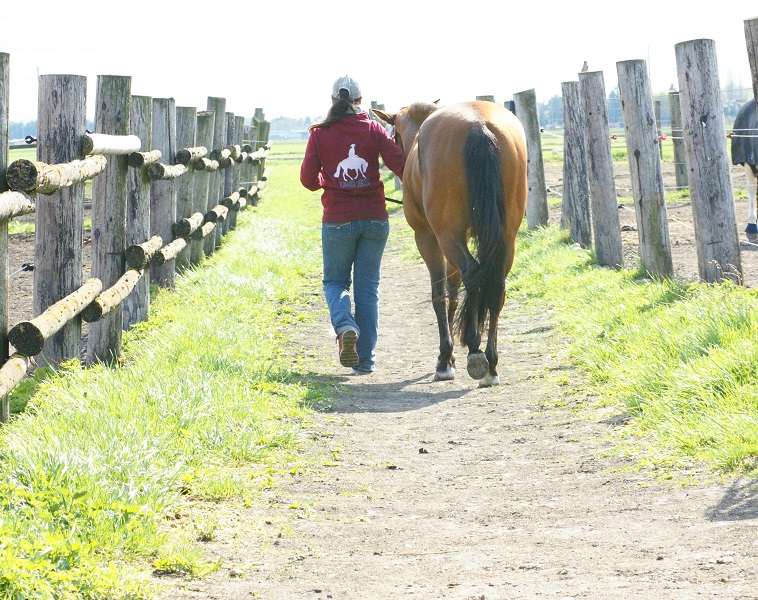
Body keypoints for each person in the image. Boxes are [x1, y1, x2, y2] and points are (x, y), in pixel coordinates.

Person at [300, 75, 406, 374]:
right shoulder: (373, 129)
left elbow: (308, 180)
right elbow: (402, 166)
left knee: (335, 282)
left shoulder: (319, 134)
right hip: (375, 218)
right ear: (361, 101)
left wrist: (327, 180)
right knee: (367, 289)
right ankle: (365, 361)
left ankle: (346, 326)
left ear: (333, 101)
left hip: (337, 220)